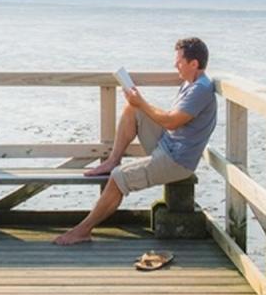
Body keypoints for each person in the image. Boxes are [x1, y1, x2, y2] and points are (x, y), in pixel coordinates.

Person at [53, 37, 217, 246]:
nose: (175, 65)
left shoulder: (200, 89)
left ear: (194, 64)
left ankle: (82, 230)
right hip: (168, 145)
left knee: (117, 178)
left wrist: (142, 101)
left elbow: (172, 122)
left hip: (177, 161)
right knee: (132, 110)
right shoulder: (190, 83)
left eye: (179, 61)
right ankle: (113, 159)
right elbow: (169, 121)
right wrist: (137, 104)